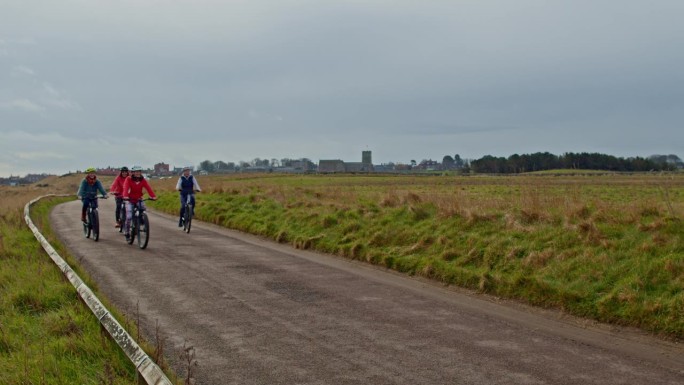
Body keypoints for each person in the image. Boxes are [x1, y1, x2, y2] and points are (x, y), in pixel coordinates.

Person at [122, 166, 157, 240]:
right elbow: (126, 188)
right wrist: (125, 196)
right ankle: (127, 232)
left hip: (138, 199)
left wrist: (153, 196)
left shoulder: (142, 180)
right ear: (133, 173)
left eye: (139, 171)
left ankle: (141, 222)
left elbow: (148, 188)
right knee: (129, 216)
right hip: (129, 199)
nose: (138, 173)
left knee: (143, 209)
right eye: (136, 172)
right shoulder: (128, 179)